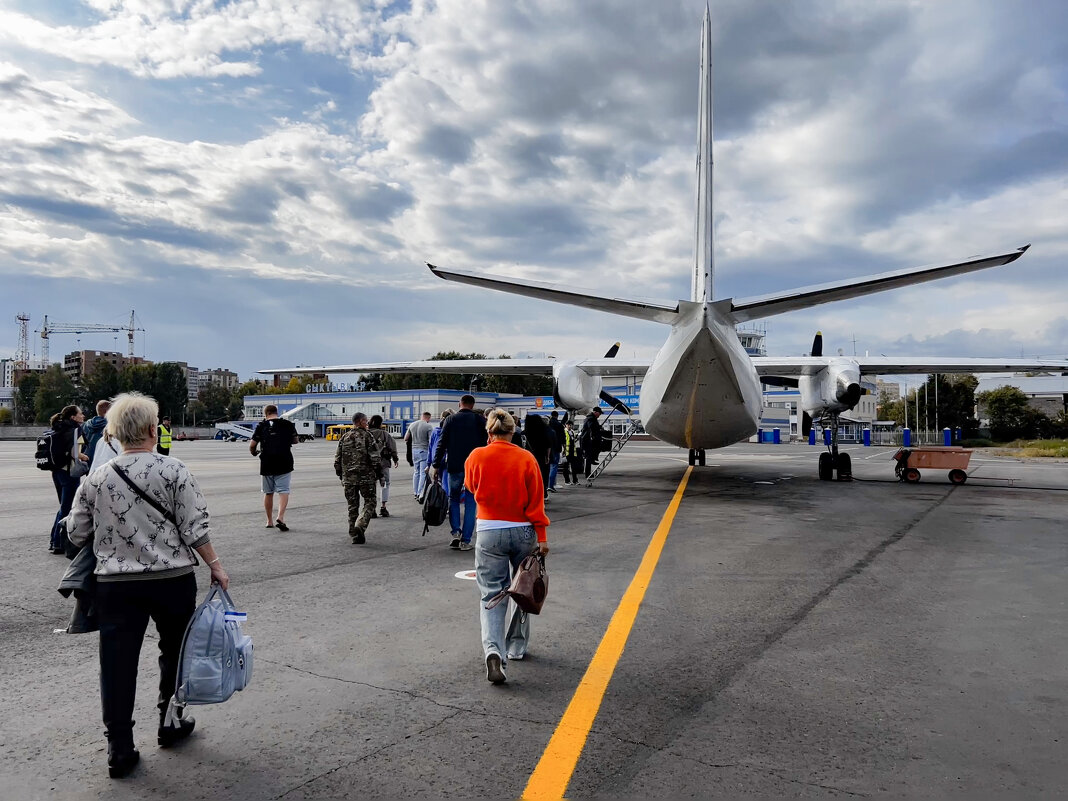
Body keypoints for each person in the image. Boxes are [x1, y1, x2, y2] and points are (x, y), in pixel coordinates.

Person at [64, 392, 229, 779]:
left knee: (117, 663)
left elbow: (76, 533)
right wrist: (217, 567)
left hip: (116, 584)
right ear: (153, 431)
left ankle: (119, 747)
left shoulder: (96, 477)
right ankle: (170, 722)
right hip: (172, 580)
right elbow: (195, 527)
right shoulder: (175, 470)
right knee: (174, 651)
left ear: (114, 434)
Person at [465, 408, 550, 684]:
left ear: (488, 432)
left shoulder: (476, 456)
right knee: (523, 588)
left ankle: (493, 651)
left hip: (489, 530)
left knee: (491, 595)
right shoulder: (526, 458)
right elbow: (537, 500)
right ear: (513, 431)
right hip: (523, 530)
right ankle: (516, 646)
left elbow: (470, 487)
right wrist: (543, 536)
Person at [431, 394, 487, 551]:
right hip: (474, 468)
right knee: (471, 503)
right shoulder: (480, 421)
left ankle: (455, 532)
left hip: (454, 466)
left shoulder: (450, 420)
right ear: (473, 404)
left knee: (453, 498)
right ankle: (466, 540)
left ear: (459, 404)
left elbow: (441, 443)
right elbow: (486, 444)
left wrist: (436, 465)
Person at [334, 412, 382, 544]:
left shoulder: (344, 437)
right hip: (366, 477)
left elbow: (337, 459)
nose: (367, 423)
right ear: (360, 421)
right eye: (366, 421)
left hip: (349, 478)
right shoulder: (367, 436)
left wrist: (341, 475)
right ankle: (360, 525)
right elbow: (375, 458)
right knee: (370, 501)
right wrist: (379, 473)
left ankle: (354, 534)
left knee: (352, 506)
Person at [47, 405, 89, 554]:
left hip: (56, 471)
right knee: (68, 507)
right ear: (73, 417)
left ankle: (55, 540)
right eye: (80, 414)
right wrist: (86, 457)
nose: (83, 416)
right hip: (69, 472)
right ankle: (59, 542)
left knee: (63, 506)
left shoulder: (57, 427)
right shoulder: (76, 430)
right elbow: (75, 453)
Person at [250, 405, 298, 531]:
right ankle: (280, 517)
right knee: (283, 491)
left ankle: (269, 521)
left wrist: (254, 452)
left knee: (268, 492)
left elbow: (252, 445)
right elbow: (296, 440)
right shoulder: (288, 424)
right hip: (285, 461)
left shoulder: (262, 426)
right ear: (276, 412)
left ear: (266, 414)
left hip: (267, 462)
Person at [368, 415, 399, 517]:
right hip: (383, 463)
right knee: (385, 484)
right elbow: (392, 447)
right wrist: (395, 459)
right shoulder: (385, 434)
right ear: (380, 423)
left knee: (371, 485)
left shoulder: (366, 434)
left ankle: (372, 509)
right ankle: (383, 507)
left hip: (369, 464)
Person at [403, 411, 434, 500]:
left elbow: (406, 438)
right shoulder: (428, 426)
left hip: (414, 450)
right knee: (423, 473)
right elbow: (431, 440)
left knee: (416, 472)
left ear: (422, 416)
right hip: (424, 450)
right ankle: (421, 493)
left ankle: (415, 492)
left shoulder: (412, 425)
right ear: (428, 418)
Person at [523, 414, 551, 498]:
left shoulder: (524, 433)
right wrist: (547, 457)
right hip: (540, 457)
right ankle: (542, 493)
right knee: (541, 476)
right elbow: (548, 446)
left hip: (527, 458)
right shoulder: (543, 432)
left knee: (528, 477)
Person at [82, 399, 111, 463]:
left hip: (86, 459)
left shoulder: (85, 425)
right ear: (107, 411)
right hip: (102, 460)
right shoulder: (110, 426)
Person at [580, 407, 605, 477]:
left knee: (597, 449)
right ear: (595, 412)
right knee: (588, 458)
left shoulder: (592, 418)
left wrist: (598, 427)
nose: (599, 415)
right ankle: (588, 474)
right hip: (588, 440)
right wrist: (597, 429)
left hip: (589, 440)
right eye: (599, 413)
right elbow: (591, 427)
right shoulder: (590, 418)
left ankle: (593, 458)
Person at [547, 411, 565, 491]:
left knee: (548, 467)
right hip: (556, 448)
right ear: (557, 416)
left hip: (547, 447)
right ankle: (551, 485)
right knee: (554, 466)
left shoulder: (547, 425)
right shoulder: (559, 425)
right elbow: (562, 438)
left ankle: (548, 484)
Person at [563, 420, 583, 485]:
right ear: (566, 425)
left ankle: (575, 481)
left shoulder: (572, 432)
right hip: (566, 452)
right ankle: (567, 481)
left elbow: (573, 439)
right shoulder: (564, 432)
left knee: (574, 467)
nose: (569, 426)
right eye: (568, 425)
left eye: (570, 425)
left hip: (572, 452)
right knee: (566, 467)